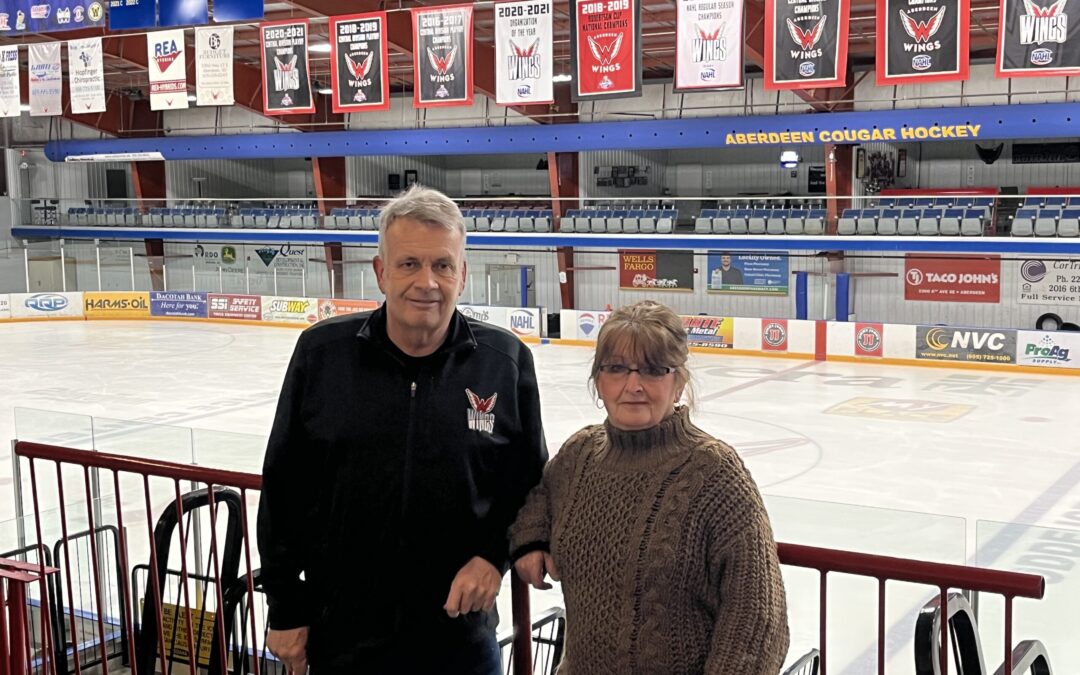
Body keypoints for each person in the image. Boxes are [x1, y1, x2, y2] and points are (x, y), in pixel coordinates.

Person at [258, 185, 548, 675]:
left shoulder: (505, 362)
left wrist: (492, 556)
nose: (427, 282)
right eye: (409, 263)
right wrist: (286, 605)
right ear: (381, 272)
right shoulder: (322, 355)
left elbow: (529, 484)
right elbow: (285, 486)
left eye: (442, 265)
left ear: (463, 273)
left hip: (460, 637)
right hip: (344, 634)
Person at [510, 300, 789, 674]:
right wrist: (531, 541)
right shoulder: (579, 455)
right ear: (599, 380)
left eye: (654, 370)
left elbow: (758, 619)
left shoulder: (716, 474)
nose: (633, 385)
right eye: (616, 369)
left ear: (679, 383)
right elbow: (540, 498)